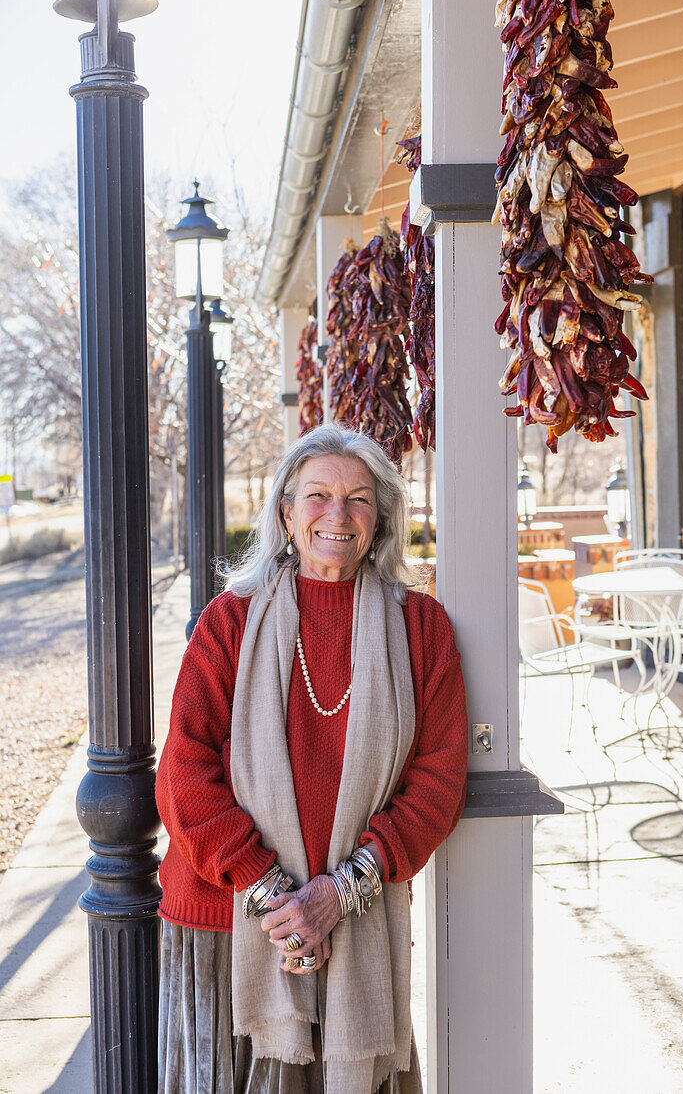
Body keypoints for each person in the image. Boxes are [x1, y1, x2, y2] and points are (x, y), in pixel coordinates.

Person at [156, 423, 468, 1094]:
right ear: (286, 512)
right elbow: (183, 773)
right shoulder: (228, 622)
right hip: (227, 921)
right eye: (318, 495)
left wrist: (336, 893)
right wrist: (276, 897)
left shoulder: (421, 627)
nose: (338, 514)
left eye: (359, 498)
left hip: (359, 925)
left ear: (381, 518)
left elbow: (439, 781)